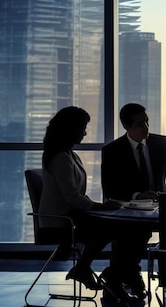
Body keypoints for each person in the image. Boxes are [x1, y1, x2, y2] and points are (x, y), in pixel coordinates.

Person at [38, 106, 122, 291]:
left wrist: (98, 207)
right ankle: (87, 269)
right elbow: (71, 197)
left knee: (110, 226)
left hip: (71, 217)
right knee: (110, 228)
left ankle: (84, 268)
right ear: (70, 128)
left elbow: (76, 196)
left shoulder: (70, 155)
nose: (85, 132)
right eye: (82, 127)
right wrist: (99, 207)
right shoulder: (61, 157)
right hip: (61, 221)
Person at [101, 102, 166, 297]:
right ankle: (130, 273)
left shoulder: (160, 143)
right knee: (136, 229)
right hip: (129, 208)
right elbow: (110, 189)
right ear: (127, 126)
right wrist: (137, 196)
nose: (146, 128)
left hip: (157, 204)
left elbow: (165, 175)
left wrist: (162, 192)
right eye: (141, 124)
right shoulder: (113, 151)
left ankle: (118, 273)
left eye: (147, 122)